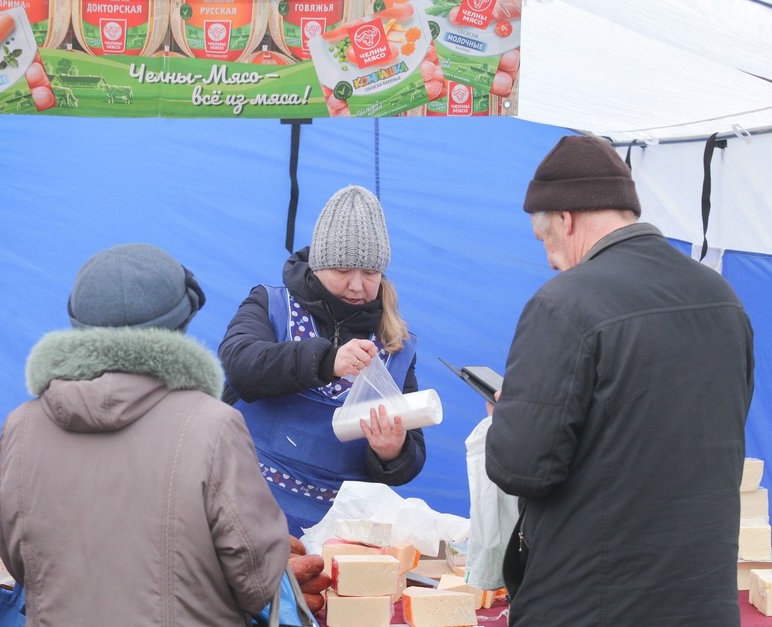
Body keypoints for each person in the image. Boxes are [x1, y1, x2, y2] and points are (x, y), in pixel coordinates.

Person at [485, 136, 755, 625]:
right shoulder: (722, 299)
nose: (549, 259)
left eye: (544, 239)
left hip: (593, 602)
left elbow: (521, 467)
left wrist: (510, 417)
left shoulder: (563, 303)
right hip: (702, 600)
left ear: (565, 219)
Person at [0, 244, 289, 626]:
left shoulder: (21, 426)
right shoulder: (214, 425)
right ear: (180, 325)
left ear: (79, 324)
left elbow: (20, 562)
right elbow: (257, 581)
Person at [219, 185, 426, 536]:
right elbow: (240, 365)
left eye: (370, 273)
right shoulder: (269, 305)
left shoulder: (396, 345)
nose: (358, 286)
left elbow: (411, 457)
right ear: (318, 264)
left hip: (337, 533)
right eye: (344, 270)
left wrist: (393, 452)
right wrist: (326, 361)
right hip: (240, 506)